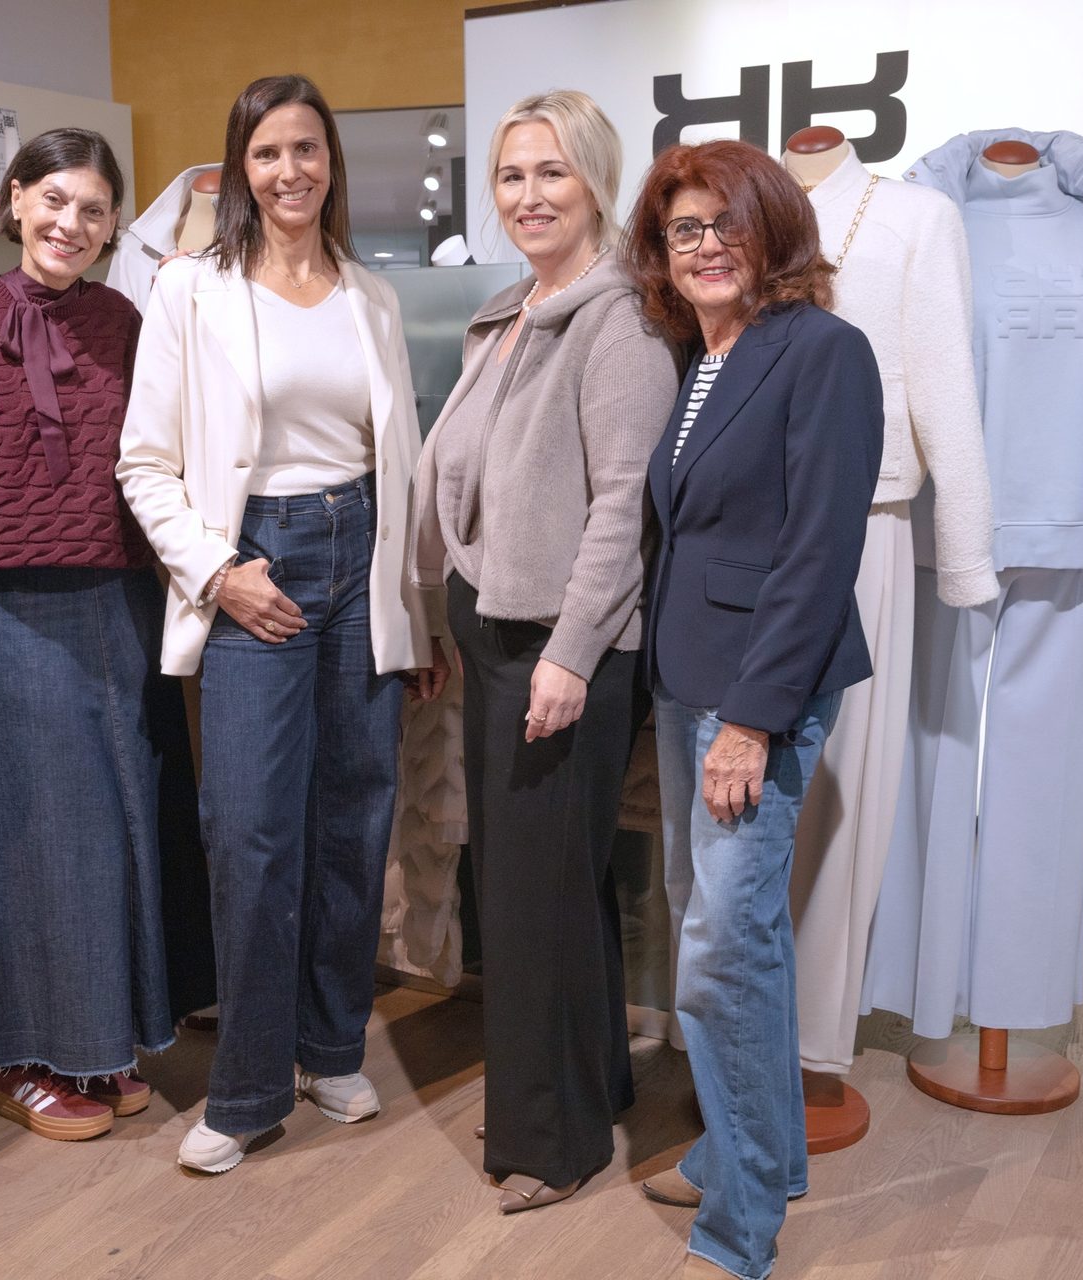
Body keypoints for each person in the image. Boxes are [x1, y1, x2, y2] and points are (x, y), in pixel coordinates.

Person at [116, 74, 446, 1175]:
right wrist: (220, 572)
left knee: (356, 818)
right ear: (239, 168)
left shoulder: (371, 293)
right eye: (267, 153)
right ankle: (250, 1086)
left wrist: (417, 608)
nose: (289, 170)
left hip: (363, 560)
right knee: (252, 831)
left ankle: (331, 1044)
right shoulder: (190, 289)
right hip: (258, 561)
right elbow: (144, 464)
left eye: (307, 149)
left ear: (330, 161)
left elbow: (401, 465)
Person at [408, 89, 679, 1214]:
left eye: (552, 172)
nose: (528, 195)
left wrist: (571, 653)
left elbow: (625, 508)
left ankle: (550, 1140)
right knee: (549, 886)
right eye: (512, 175)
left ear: (596, 181)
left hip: (561, 648)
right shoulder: (514, 308)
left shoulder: (620, 322)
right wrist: (441, 608)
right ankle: (589, 1084)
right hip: (496, 631)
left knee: (531, 900)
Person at [622, 139, 882, 1280]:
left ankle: (739, 1226)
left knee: (720, 955)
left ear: (773, 229)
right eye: (683, 229)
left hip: (754, 697)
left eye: (726, 223)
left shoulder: (823, 350)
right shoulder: (701, 356)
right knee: (733, 934)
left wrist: (750, 719)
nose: (705, 246)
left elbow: (819, 551)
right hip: (688, 678)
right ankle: (763, 1160)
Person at [0, 127, 203, 1141]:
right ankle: (23, 1053)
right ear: (14, 200)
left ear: (114, 223)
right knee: (28, 827)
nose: (70, 223)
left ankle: (104, 1034)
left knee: (121, 815)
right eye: (53, 200)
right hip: (7, 602)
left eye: (92, 209)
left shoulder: (124, 319)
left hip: (119, 592)